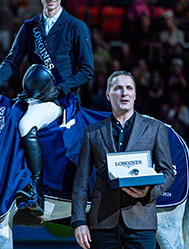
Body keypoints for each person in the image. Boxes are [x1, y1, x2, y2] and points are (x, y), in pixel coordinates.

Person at [0, 0, 94, 217]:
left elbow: (87, 70)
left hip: (61, 99)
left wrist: (60, 89)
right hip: (33, 96)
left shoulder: (76, 27)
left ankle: (35, 190)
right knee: (5, 118)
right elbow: (12, 61)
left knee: (25, 125)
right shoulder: (29, 27)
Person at [71, 71, 174, 249]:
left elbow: (168, 172)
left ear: (134, 94)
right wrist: (79, 221)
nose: (124, 93)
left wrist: (148, 193)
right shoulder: (92, 132)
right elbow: (81, 181)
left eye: (129, 88)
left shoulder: (155, 128)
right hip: (102, 222)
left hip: (141, 222)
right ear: (108, 95)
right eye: (118, 88)